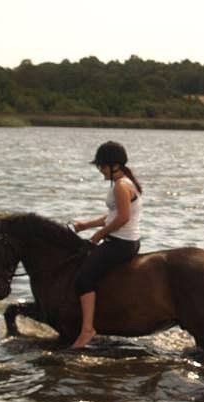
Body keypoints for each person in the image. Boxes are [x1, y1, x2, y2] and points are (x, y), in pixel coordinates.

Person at [71, 141, 143, 348]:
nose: (100, 170)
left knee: (83, 280)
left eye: (101, 166)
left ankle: (87, 330)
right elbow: (112, 215)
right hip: (123, 240)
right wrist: (86, 225)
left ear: (114, 165)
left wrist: (98, 235)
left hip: (121, 242)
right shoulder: (125, 182)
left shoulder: (121, 186)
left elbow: (122, 218)